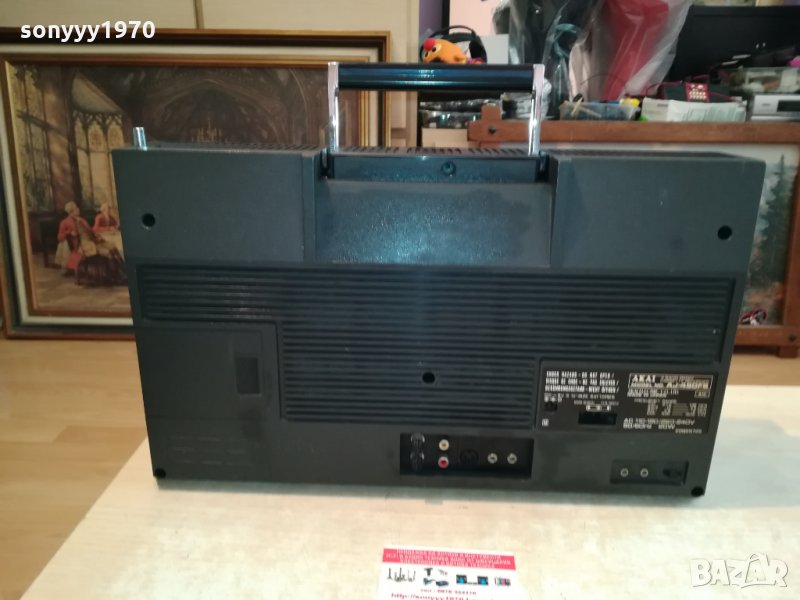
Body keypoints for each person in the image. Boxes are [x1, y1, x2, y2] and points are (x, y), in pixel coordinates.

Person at [55, 201, 89, 275]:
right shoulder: (64, 222)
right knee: (65, 244)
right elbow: (59, 237)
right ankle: (70, 267)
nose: (78, 209)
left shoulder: (81, 220)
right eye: (76, 208)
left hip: (84, 240)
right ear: (71, 212)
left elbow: (89, 230)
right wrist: (69, 233)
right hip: (72, 242)